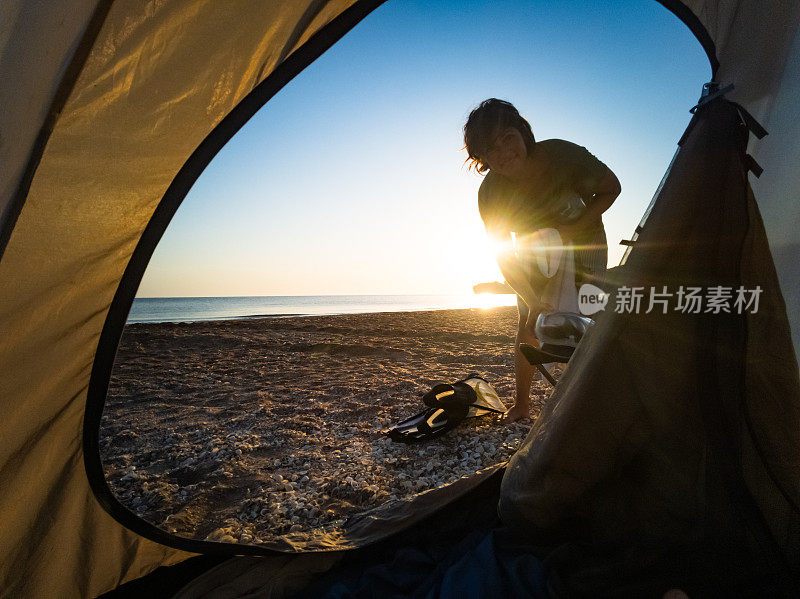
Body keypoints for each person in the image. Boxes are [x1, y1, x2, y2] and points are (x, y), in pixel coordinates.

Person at [463, 98, 621, 422]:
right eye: (491, 150)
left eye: (508, 137)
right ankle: (522, 405)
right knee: (528, 323)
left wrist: (572, 227)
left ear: (523, 132)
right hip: (533, 251)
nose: (504, 152)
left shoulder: (564, 155)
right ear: (482, 159)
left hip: (584, 240)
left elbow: (611, 187)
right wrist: (531, 299)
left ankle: (596, 396)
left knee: (590, 318)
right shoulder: (490, 193)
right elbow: (503, 254)